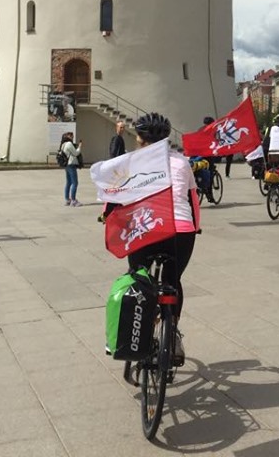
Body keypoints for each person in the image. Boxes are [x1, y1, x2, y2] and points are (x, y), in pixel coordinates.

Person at [116, 112, 200, 366]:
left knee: (139, 278)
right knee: (173, 280)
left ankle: (139, 329)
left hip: (146, 229)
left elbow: (120, 199)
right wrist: (196, 227)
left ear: (140, 140)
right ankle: (171, 332)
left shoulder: (131, 162)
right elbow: (192, 200)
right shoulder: (183, 162)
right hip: (181, 230)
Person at [61, 132, 83, 206]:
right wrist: (79, 147)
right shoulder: (69, 144)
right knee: (75, 182)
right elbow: (76, 153)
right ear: (68, 136)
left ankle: (67, 199)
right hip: (71, 164)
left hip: (66, 165)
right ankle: (73, 200)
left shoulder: (63, 144)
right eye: (71, 136)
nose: (72, 137)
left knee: (69, 182)